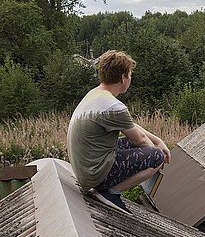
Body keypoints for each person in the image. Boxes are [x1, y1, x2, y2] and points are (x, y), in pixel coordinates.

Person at [67, 50, 170, 213]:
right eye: (130, 75)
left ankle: (108, 190)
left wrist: (158, 140)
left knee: (141, 144)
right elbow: (141, 141)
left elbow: (130, 126)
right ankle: (110, 192)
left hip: (86, 170)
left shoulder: (95, 95)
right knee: (157, 156)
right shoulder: (113, 106)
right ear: (123, 78)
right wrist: (156, 151)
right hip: (95, 175)